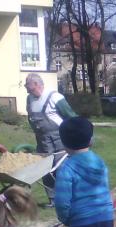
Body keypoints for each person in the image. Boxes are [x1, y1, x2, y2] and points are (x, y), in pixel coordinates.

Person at [24, 73, 77, 206]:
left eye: (29, 87)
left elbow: (71, 116)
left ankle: (67, 198)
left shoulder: (55, 97)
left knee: (62, 169)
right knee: (45, 169)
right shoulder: (29, 99)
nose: (27, 90)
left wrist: (77, 133)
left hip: (59, 138)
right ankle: (52, 199)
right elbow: (30, 117)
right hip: (42, 140)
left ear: (37, 84)